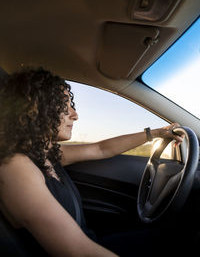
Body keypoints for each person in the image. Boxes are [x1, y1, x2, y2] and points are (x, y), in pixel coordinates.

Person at [0, 67, 184, 257]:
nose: (75, 115)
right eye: (64, 105)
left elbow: (101, 149)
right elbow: (78, 250)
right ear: (34, 107)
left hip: (90, 240)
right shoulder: (16, 167)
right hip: (85, 248)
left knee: (170, 238)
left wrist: (155, 133)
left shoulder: (46, 153)